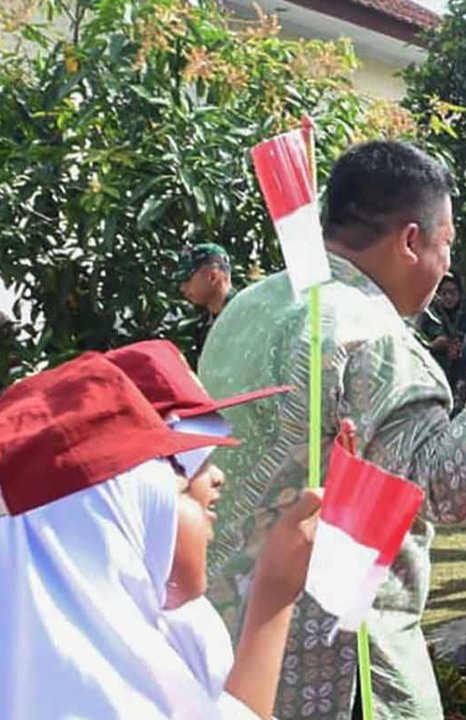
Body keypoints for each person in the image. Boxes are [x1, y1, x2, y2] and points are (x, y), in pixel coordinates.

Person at [198, 140, 466, 720]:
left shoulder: (248, 306)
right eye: (446, 243)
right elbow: (442, 487)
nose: (446, 262)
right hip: (339, 664)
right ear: (411, 240)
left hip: (228, 648)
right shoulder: (370, 335)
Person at [0, 353, 320, 719]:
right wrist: (272, 597)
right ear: (115, 526)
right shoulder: (95, 689)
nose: (217, 478)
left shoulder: (126, 653)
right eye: (181, 482)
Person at [104, 338, 293, 696]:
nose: (218, 476)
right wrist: (273, 599)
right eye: (195, 460)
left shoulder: (192, 618)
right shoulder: (128, 641)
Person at [419, 273, 466, 409]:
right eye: (444, 293)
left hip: (462, 380)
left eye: (452, 293)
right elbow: (416, 343)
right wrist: (434, 345)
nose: (448, 297)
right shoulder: (429, 317)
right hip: (434, 378)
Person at [175, 242, 236, 361]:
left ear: (212, 276)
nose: (182, 288)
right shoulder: (203, 326)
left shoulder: (246, 312)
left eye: (187, 279)